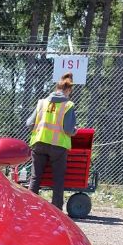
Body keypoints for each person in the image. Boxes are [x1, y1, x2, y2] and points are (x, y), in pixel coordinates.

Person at [27, 72, 78, 209]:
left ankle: (30, 207)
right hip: (58, 147)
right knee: (58, 179)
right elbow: (68, 129)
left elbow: (29, 123)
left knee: (35, 177)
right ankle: (56, 209)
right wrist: (74, 131)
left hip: (39, 143)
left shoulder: (42, 103)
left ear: (57, 88)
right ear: (68, 90)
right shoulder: (68, 105)